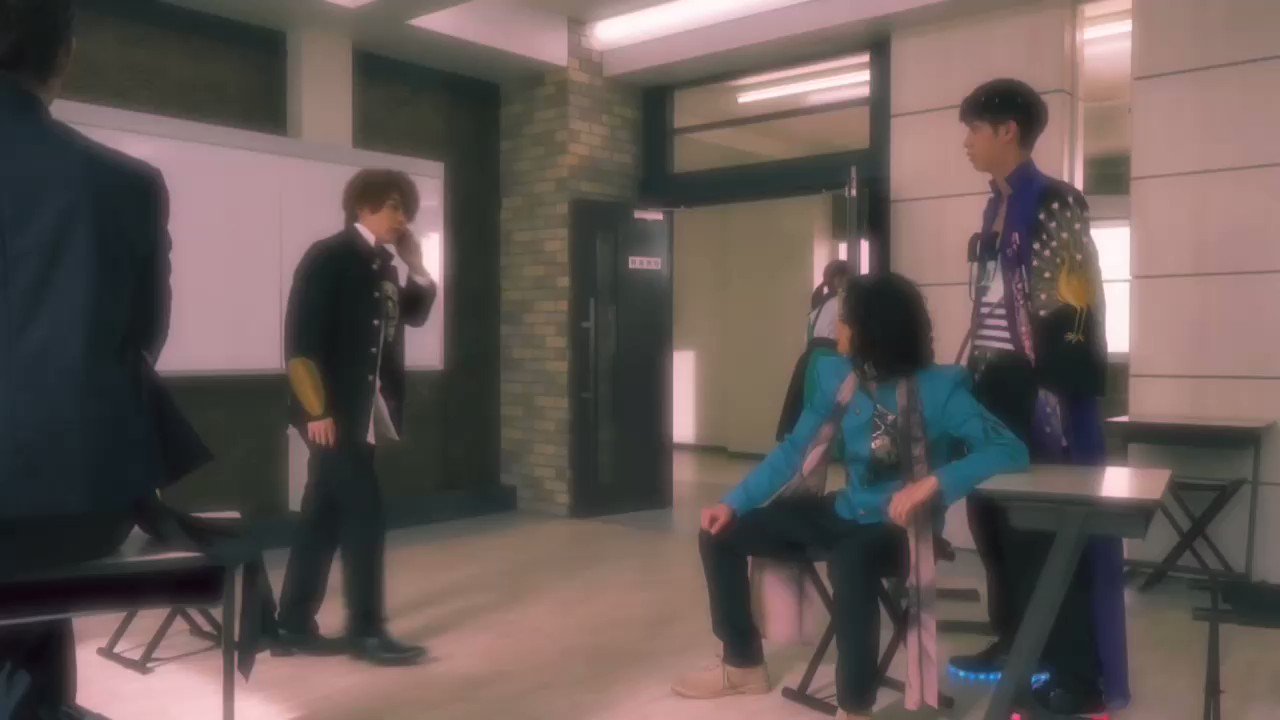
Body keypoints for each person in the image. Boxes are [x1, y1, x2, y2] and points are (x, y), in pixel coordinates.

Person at [671, 273, 1029, 720]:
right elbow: (793, 452)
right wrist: (733, 503)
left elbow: (1010, 450)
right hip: (845, 510)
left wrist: (934, 483)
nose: (836, 327)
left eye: (845, 320)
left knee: (852, 559)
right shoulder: (838, 376)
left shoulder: (941, 391)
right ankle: (742, 665)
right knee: (720, 533)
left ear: (872, 331)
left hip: (901, 530)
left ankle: (855, 708)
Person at [0, 0, 183, 717]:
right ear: (64, 56)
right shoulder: (125, 183)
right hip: (77, 500)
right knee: (34, 601)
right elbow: (144, 335)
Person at [947, 77, 1122, 716]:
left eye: (974, 129)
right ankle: (1017, 642)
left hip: (1038, 393)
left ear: (1008, 131)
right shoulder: (995, 208)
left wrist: (1050, 394)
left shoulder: (1054, 202)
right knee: (991, 522)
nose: (967, 142)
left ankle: (1075, 672)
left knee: (1047, 531)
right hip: (992, 387)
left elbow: (1077, 308)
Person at [275, 169, 437, 667]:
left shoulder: (384, 264)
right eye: (393, 206)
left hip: (366, 412)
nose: (402, 217)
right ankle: (367, 633)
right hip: (333, 414)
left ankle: (292, 625)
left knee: (321, 519)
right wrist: (315, 410)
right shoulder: (329, 256)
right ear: (363, 207)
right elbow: (301, 340)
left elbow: (412, 315)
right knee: (365, 516)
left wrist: (418, 267)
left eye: (406, 208)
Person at [776, 260, 853, 442]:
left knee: (812, 424)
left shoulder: (817, 308)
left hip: (809, 363)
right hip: (830, 361)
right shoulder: (841, 304)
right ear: (841, 279)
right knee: (832, 422)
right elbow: (848, 341)